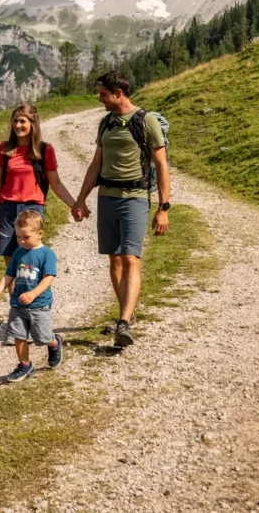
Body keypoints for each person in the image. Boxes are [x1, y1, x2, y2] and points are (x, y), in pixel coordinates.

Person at [72, 70, 171, 348]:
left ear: (119, 93)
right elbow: (96, 164)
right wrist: (81, 199)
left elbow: (162, 165)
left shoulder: (146, 120)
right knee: (114, 259)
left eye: (104, 94)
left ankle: (124, 323)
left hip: (135, 198)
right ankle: (126, 313)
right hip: (107, 197)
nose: (100, 99)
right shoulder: (106, 123)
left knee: (130, 258)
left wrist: (163, 207)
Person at [0, 104, 79, 344]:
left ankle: (32, 317)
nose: (18, 125)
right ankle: (17, 326)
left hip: (32, 209)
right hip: (7, 210)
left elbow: (56, 183)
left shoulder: (44, 150)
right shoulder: (4, 150)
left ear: (33, 124)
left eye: (23, 121)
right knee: (12, 267)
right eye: (15, 121)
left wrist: (74, 204)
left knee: (30, 266)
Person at [0, 209, 63, 381]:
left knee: (42, 337)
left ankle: (54, 343)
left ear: (40, 233)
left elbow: (48, 278)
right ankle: (25, 365)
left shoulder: (46, 254)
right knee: (18, 336)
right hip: (18, 305)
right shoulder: (18, 253)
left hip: (39, 305)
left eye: (26, 237)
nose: (21, 241)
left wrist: (33, 293)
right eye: (18, 237)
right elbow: (9, 276)